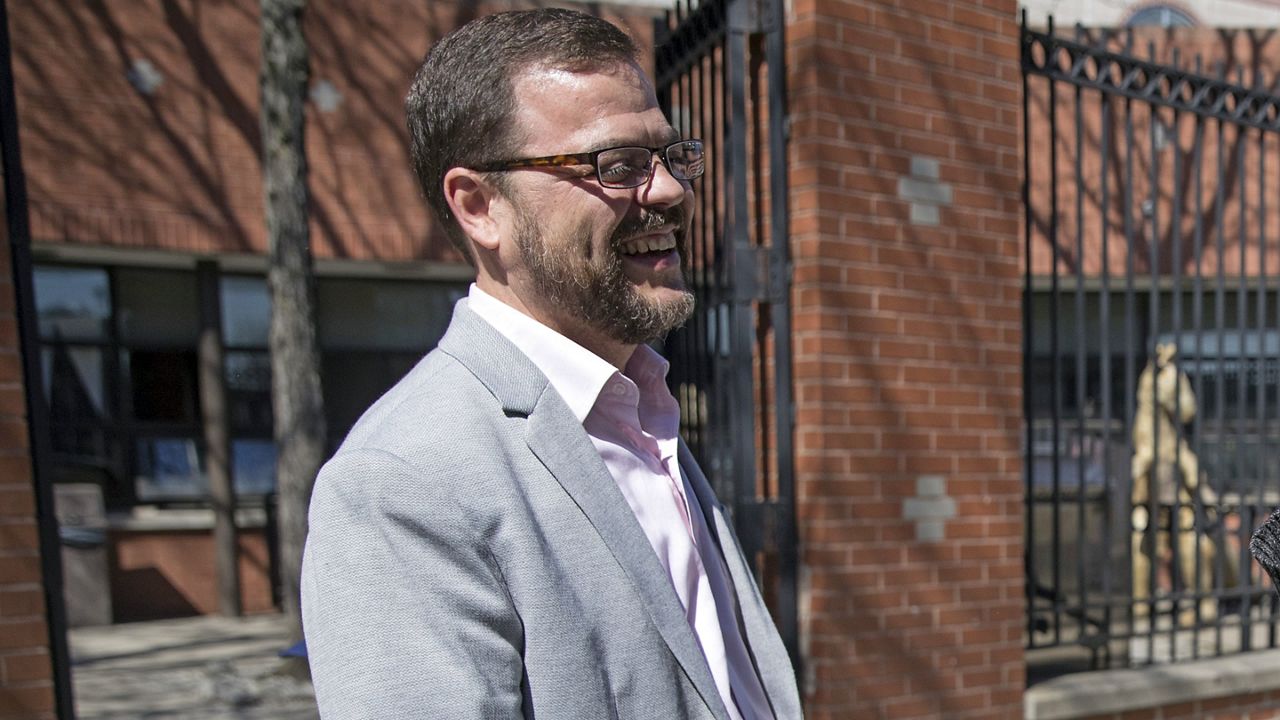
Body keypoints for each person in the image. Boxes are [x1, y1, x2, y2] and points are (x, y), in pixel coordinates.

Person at [300, 8, 801, 719]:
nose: (668, 191)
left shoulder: (638, 408)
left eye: (668, 155)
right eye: (615, 165)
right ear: (479, 206)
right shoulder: (402, 484)